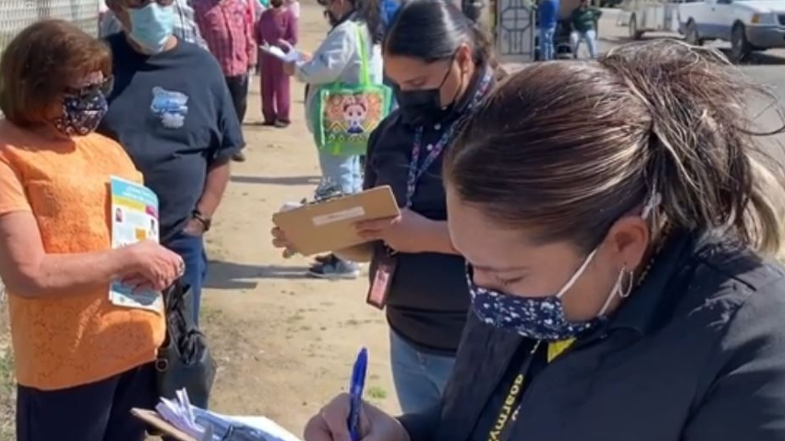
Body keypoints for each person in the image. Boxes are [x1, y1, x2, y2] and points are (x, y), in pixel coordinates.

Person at [304, 39, 785, 441]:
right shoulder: (526, 287)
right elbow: (479, 420)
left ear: (625, 243)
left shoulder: (750, 355)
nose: (482, 290)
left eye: (507, 276)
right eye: (473, 264)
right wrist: (407, 435)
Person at [0, 20, 185, 441]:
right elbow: (28, 273)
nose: (93, 103)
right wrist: (129, 260)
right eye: (77, 93)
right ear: (32, 88)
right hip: (67, 367)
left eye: (99, 88)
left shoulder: (105, 148)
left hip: (134, 350)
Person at [276, 0, 501, 415]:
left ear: (463, 59)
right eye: (397, 85)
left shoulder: (508, 125)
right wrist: (320, 234)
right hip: (407, 338)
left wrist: (431, 236)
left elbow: (535, 238)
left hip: (484, 347)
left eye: (418, 82)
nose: (407, 96)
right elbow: (378, 234)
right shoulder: (391, 134)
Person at [101, 0, 245, 324]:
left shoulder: (202, 68)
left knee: (180, 346)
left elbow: (221, 154)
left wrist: (200, 219)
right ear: (115, 6)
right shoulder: (98, 64)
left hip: (180, 237)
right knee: (118, 341)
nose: (153, 8)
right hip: (109, 241)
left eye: (163, 0)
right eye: (139, 1)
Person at [283, 0, 384, 279]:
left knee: (338, 186)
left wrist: (298, 69)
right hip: (358, 119)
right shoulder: (365, 27)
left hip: (339, 120)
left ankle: (345, 258)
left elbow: (325, 69)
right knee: (348, 182)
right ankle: (345, 251)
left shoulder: (347, 31)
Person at [192, 0, 258, 126]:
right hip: (216, 72)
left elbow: (247, 32)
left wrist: (251, 57)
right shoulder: (200, 7)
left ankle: (234, 140)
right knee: (218, 113)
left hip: (240, 68)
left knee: (239, 109)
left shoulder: (239, 4)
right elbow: (197, 38)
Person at [99, 0, 211, 50]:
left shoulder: (185, 6)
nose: (153, 9)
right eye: (140, 1)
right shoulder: (116, 14)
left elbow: (196, 40)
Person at [256, 0, 298, 127]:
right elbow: (257, 33)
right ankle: (269, 116)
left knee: (281, 87)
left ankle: (283, 117)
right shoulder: (265, 15)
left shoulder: (289, 15)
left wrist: (282, 44)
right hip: (267, 55)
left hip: (281, 56)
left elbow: (294, 38)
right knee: (266, 86)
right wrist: (261, 44)